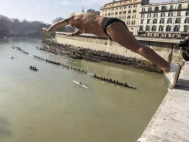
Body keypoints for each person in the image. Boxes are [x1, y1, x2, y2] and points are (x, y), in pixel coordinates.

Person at [43, 13, 181, 89]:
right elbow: (82, 30)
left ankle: (168, 68)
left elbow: (59, 23)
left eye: (69, 25)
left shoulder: (73, 18)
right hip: (112, 24)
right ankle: (167, 68)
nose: (70, 26)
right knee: (136, 47)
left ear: (70, 18)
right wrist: (73, 35)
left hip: (109, 27)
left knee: (137, 48)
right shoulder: (82, 20)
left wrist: (49, 30)